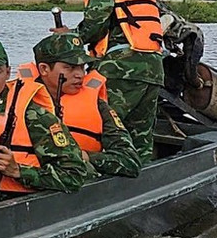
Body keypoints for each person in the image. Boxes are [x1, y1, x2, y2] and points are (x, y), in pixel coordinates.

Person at [67, 0, 165, 164]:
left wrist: (68, 42)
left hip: (122, 65)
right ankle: (142, 183)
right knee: (138, 139)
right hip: (152, 66)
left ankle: (90, 184)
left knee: (94, 125)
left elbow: (95, 22)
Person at [0, 37, 94, 202]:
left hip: (20, 204)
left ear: (8, 72)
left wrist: (19, 171)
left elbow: (74, 176)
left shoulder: (33, 115)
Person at [34, 30, 141, 179]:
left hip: (78, 182)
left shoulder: (97, 105)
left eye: (82, 67)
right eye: (70, 67)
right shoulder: (18, 100)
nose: (80, 74)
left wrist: (87, 157)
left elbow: (130, 162)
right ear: (44, 69)